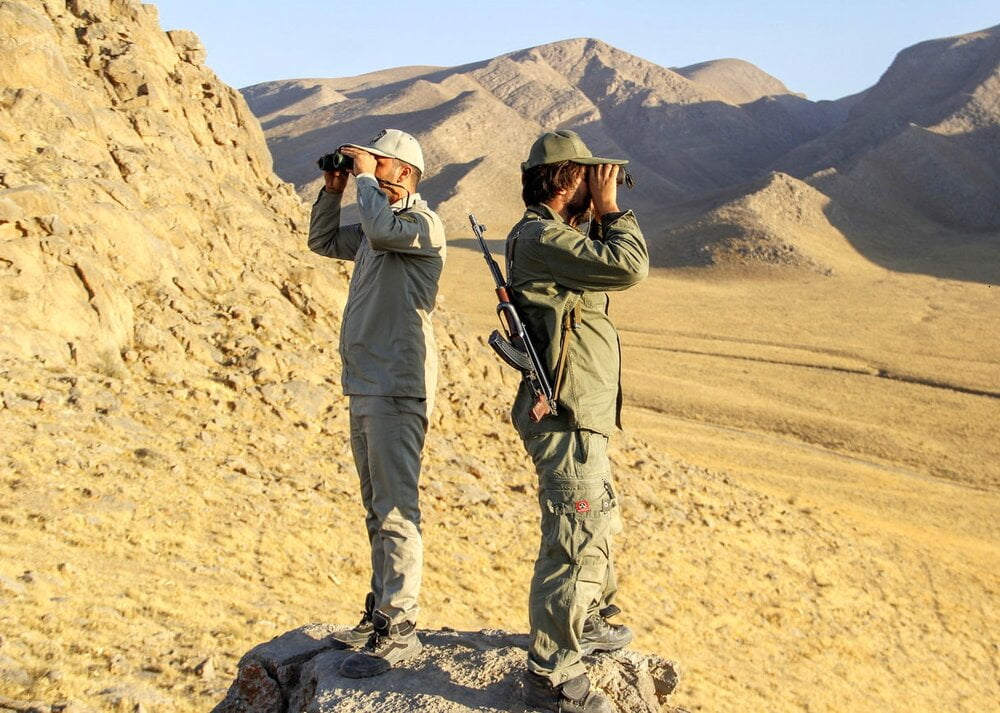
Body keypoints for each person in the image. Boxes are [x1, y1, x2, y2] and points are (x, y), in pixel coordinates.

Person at [505, 130, 648, 713]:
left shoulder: (554, 238)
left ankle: (586, 621)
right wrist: (611, 209)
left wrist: (593, 213)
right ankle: (550, 673)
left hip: (581, 414)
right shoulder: (539, 237)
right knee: (574, 537)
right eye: (588, 176)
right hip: (564, 416)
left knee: (599, 518)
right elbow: (629, 267)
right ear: (566, 178)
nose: (598, 185)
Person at [307, 128, 445, 678]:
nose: (369, 167)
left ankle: (402, 624)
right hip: (365, 381)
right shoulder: (372, 225)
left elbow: (385, 230)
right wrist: (335, 186)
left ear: (404, 173)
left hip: (398, 382)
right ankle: (380, 609)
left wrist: (364, 178)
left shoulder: (419, 224)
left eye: (380, 162)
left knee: (395, 508)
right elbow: (321, 241)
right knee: (374, 506)